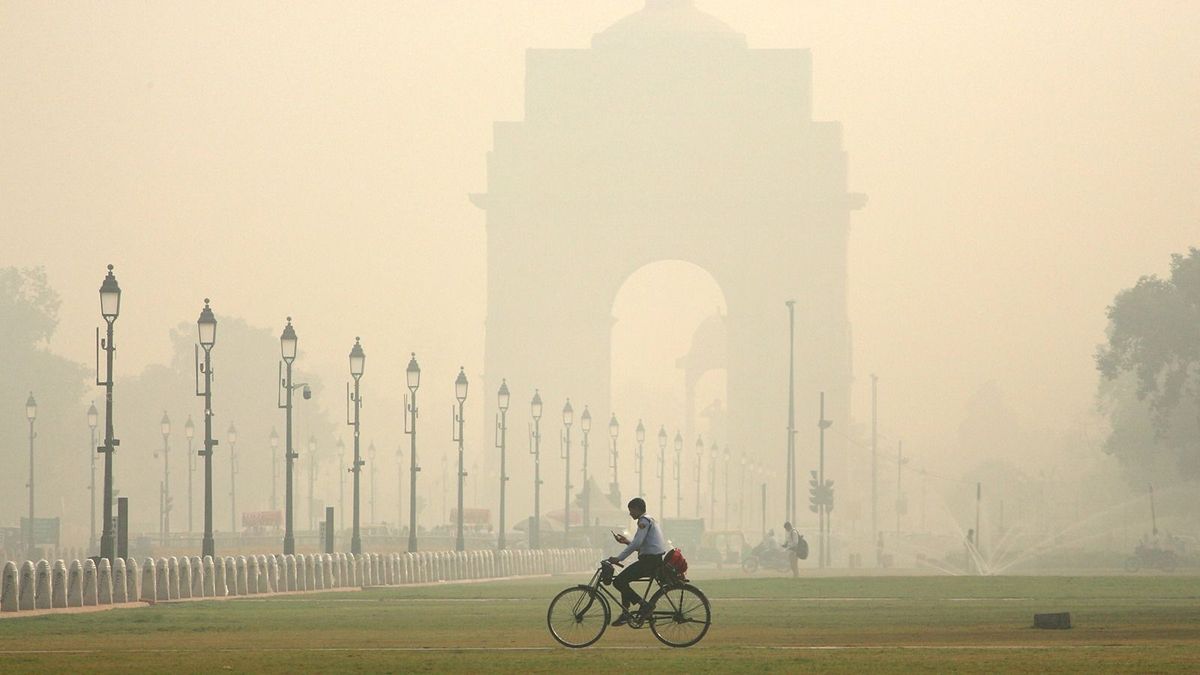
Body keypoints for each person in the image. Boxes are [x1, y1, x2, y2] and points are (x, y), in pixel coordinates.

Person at [606, 497, 668, 626]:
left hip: (649, 561)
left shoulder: (643, 521)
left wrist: (619, 558)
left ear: (638, 509)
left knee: (619, 581)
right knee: (623, 580)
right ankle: (626, 612)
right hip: (653, 559)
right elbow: (641, 545)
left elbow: (637, 544)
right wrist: (626, 541)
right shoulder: (650, 520)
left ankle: (643, 605)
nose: (630, 513)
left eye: (631, 510)